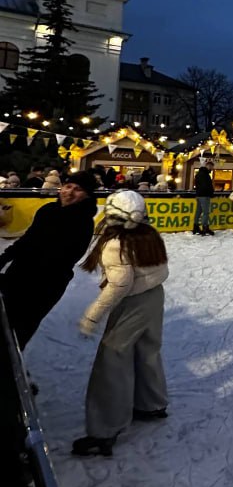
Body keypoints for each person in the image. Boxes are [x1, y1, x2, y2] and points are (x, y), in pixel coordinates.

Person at [72, 190, 169, 457]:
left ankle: (104, 429)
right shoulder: (148, 234)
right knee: (147, 349)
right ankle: (152, 403)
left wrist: (92, 315)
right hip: (153, 296)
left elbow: (119, 286)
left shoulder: (116, 244)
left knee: (112, 359)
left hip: (132, 302)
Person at [0, 170, 98, 348]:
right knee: (4, 322)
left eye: (78, 189)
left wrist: (21, 277)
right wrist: (5, 258)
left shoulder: (83, 222)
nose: (69, 192)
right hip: (19, 273)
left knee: (19, 331)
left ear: (87, 195)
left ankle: (11, 370)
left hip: (46, 285)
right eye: (68, 186)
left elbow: (62, 257)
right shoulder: (47, 210)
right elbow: (28, 239)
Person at [192, 160, 214, 236]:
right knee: (206, 212)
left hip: (198, 195)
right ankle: (205, 227)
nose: (211, 168)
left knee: (198, 211)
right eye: (211, 167)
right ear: (208, 166)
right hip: (205, 195)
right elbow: (206, 186)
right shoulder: (205, 175)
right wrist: (210, 192)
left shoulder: (199, 174)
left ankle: (195, 226)